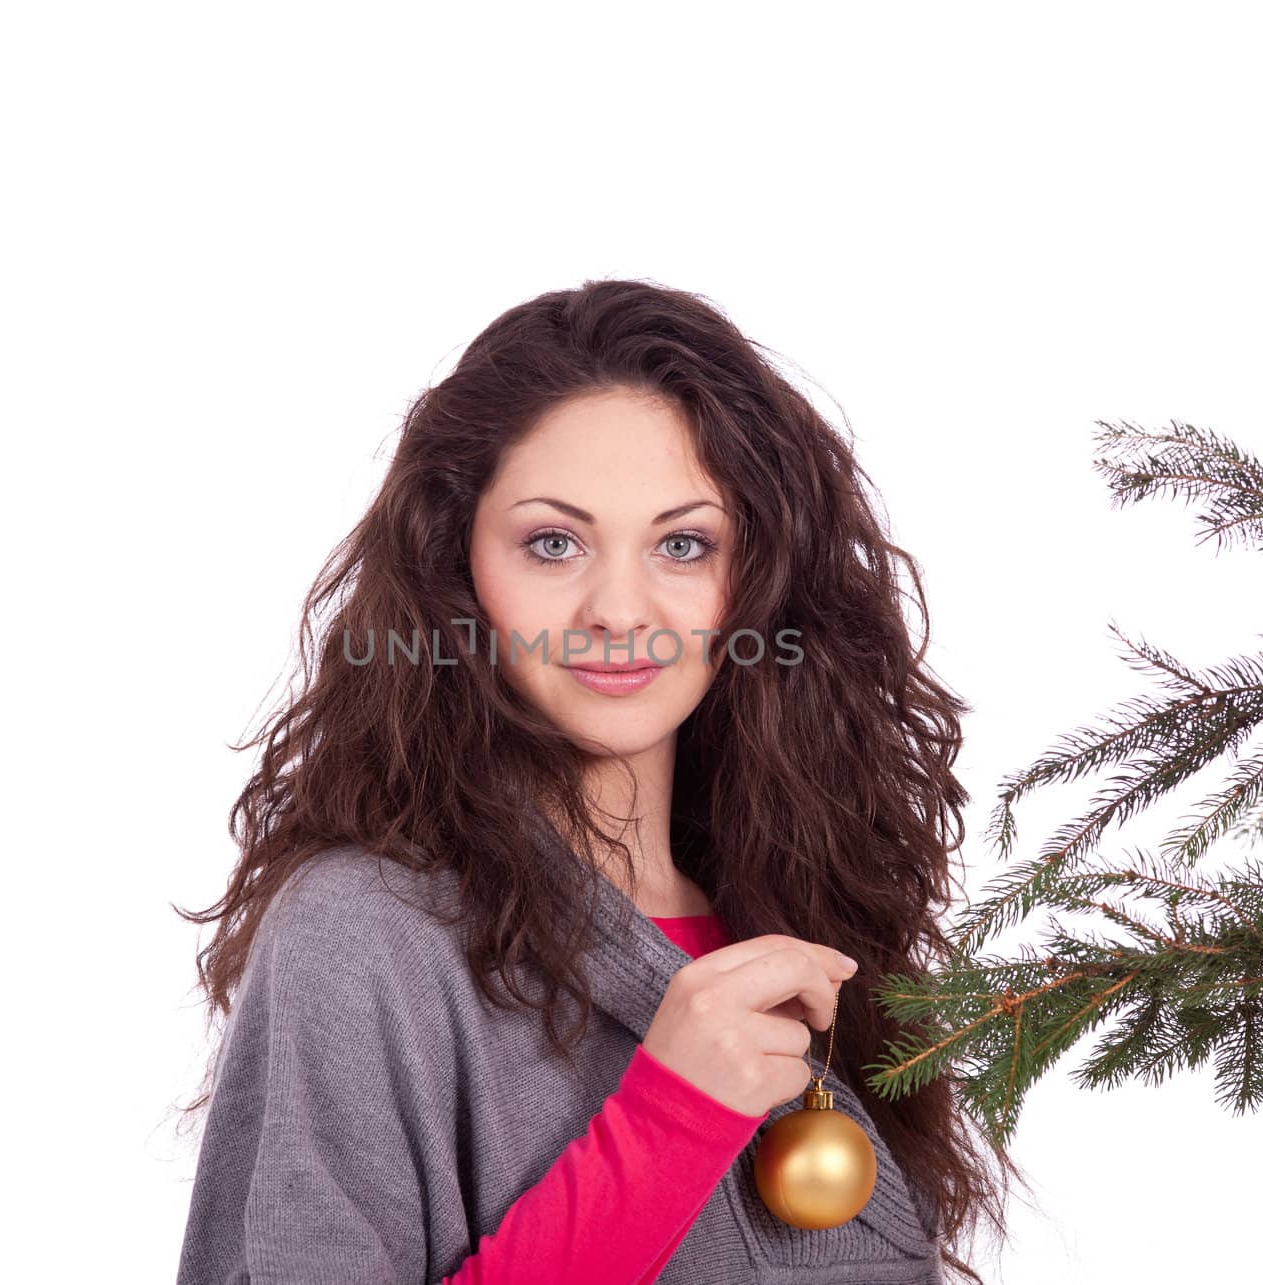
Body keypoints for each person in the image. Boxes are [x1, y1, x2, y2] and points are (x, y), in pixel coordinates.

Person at [172, 279, 1018, 1284]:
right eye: (553, 542)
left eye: (681, 543)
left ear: (756, 582)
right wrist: (667, 1122)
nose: (619, 607)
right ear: (455, 569)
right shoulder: (361, 935)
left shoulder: (802, 911)